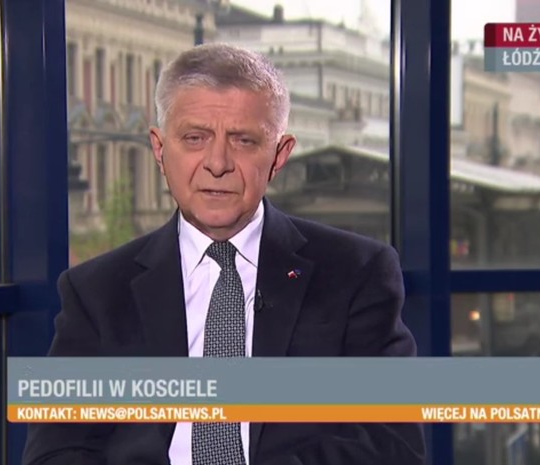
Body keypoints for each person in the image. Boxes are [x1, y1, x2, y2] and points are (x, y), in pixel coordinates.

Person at [22, 43, 424, 465]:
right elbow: (55, 452)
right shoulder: (97, 292)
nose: (217, 163)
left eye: (243, 141)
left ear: (279, 155)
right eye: (195, 138)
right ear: (160, 150)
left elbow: (392, 442)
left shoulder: (355, 273)